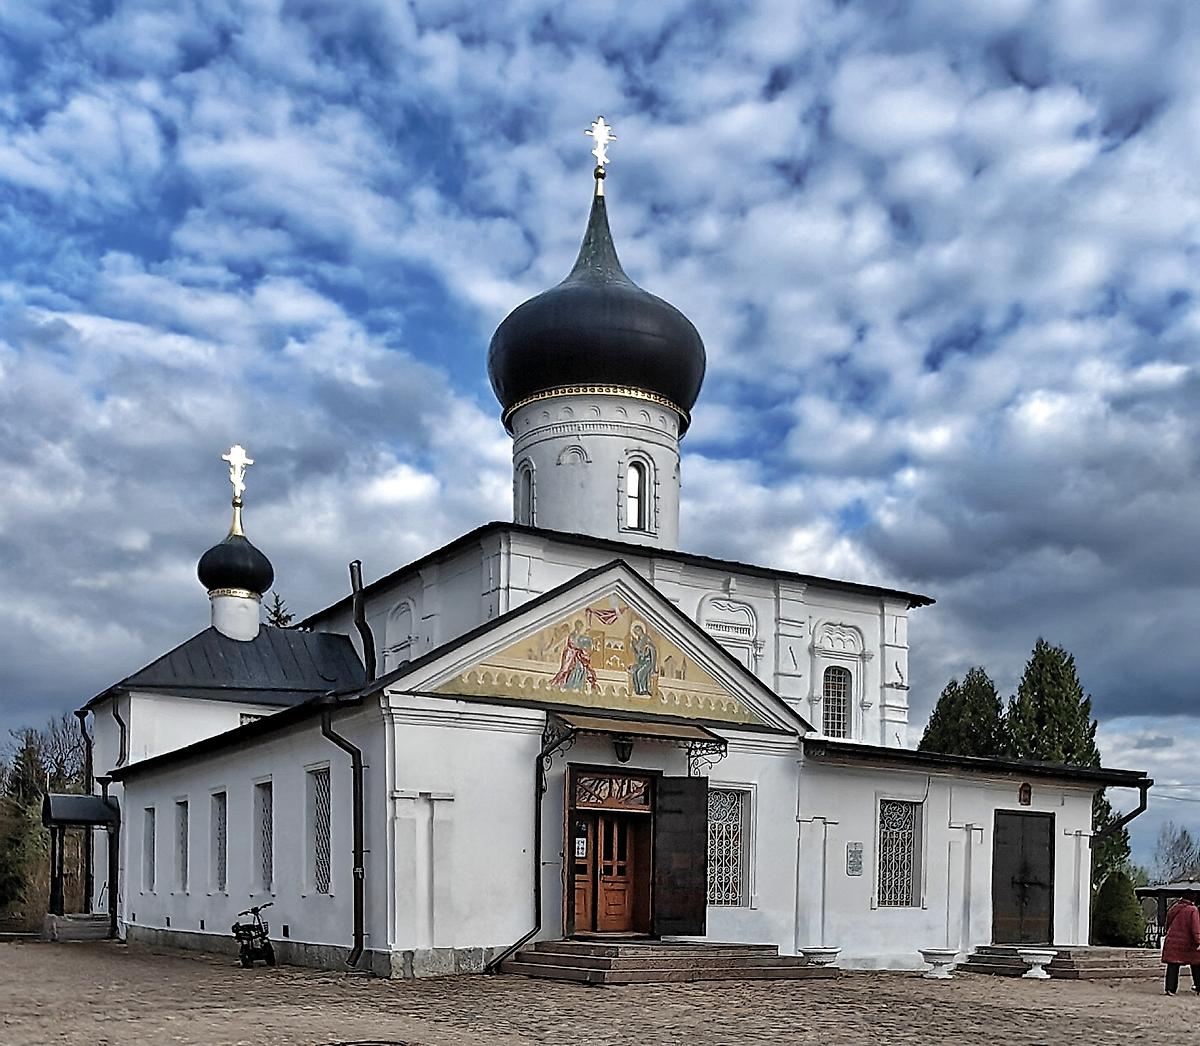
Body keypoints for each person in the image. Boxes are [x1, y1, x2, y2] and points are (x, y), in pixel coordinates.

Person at [1162, 889, 1200, 995]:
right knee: (1196, 963)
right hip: (1187, 942)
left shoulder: (1174, 908)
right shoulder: (1193, 910)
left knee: (1173, 966)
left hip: (1172, 940)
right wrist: (1198, 941)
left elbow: (1168, 923)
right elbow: (1195, 927)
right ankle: (1198, 985)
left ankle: (1170, 988)